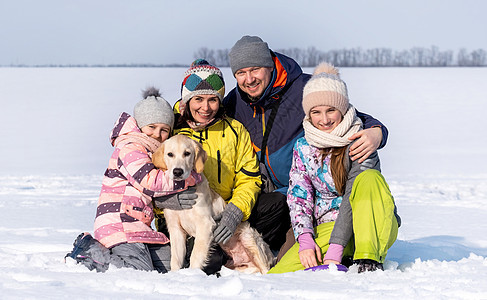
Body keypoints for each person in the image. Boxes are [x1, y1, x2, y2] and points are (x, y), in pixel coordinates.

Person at [223, 35, 389, 255]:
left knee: (289, 256)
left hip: (303, 194)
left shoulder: (302, 87)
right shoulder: (235, 102)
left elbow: (346, 114)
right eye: (241, 73)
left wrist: (377, 132)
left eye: (255, 69)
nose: (249, 79)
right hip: (265, 192)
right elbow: (203, 115)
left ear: (269, 66)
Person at [267, 62, 400, 274]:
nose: (324, 119)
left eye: (331, 110)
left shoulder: (361, 140)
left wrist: (335, 250)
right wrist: (306, 240)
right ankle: (347, 253)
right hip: (328, 227)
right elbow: (299, 196)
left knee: (370, 179)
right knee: (280, 272)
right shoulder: (303, 147)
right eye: (316, 112)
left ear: (343, 109)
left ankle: (368, 260)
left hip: (368, 225)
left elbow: (350, 199)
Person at [65, 88, 202, 273]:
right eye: (152, 127)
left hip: (138, 226)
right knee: (137, 270)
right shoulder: (130, 147)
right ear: (140, 125)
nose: (157, 134)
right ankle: (88, 252)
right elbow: (150, 182)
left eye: (164, 130)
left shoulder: (153, 152)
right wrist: (188, 178)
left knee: (172, 264)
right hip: (119, 225)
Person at [153, 59, 262, 274]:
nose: (205, 107)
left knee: (274, 204)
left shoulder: (235, 130)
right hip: (181, 216)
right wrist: (163, 200)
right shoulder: (169, 129)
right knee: (208, 259)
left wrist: (234, 212)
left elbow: (250, 180)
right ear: (187, 100)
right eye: (198, 99)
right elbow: (145, 174)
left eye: (213, 100)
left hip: (222, 209)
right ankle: (212, 262)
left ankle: (247, 257)